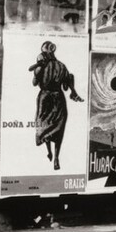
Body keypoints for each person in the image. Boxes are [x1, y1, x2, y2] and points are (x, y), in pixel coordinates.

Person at [28, 41, 84, 171]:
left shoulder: (41, 67)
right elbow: (65, 87)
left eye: (43, 52)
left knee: (45, 126)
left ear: (46, 53)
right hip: (58, 99)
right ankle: (56, 158)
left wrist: (37, 72)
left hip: (45, 99)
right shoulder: (62, 66)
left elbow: (34, 83)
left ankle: (50, 153)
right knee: (58, 129)